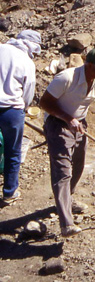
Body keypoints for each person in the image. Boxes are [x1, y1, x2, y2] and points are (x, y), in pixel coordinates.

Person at [40, 48, 95, 237]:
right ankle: (66, 223)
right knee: (63, 171)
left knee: (78, 164)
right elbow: (44, 102)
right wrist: (67, 118)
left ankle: (67, 200)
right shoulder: (66, 78)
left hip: (79, 124)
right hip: (57, 123)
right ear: (89, 65)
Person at [0, 30, 42, 205]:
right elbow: (28, 90)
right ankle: (10, 192)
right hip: (12, 110)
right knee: (13, 151)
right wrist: (23, 108)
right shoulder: (27, 62)